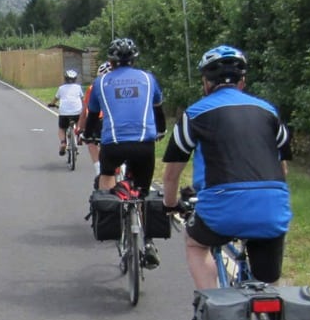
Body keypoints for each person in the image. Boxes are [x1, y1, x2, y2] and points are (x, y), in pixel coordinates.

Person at [161, 45, 292, 289]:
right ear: (242, 82)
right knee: (270, 283)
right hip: (271, 209)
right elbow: (282, 170)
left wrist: (170, 205)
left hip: (221, 210)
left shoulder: (194, 114)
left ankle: (211, 306)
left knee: (195, 243)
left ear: (206, 83)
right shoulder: (269, 112)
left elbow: (171, 175)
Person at [77, 38, 166, 195]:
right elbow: (158, 110)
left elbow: (92, 115)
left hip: (113, 145)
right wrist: (162, 130)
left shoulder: (101, 82)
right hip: (144, 144)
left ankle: (108, 212)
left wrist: (88, 135)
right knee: (143, 192)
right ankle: (141, 210)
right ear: (134, 60)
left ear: (110, 61)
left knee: (107, 175)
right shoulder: (148, 78)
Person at [52, 68, 85, 157]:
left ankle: (63, 143)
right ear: (75, 79)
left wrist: (51, 104)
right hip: (77, 111)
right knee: (79, 122)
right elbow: (83, 99)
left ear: (65, 79)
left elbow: (55, 99)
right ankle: (79, 136)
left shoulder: (61, 88)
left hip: (64, 113)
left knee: (62, 128)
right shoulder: (78, 88)